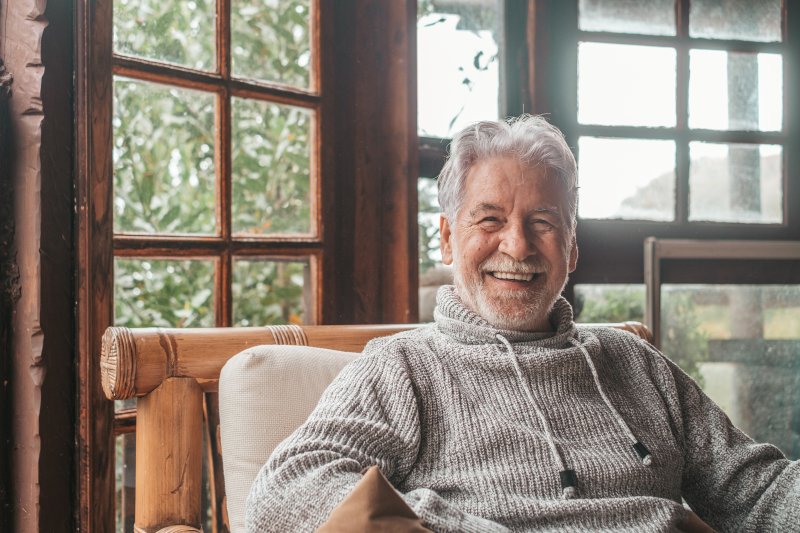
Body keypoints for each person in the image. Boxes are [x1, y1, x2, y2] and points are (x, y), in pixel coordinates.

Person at [246, 115, 799, 532]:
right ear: (445, 237)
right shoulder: (402, 369)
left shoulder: (633, 363)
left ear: (573, 247)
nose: (517, 245)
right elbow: (284, 491)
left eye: (543, 223)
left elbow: (758, 491)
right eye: (490, 219)